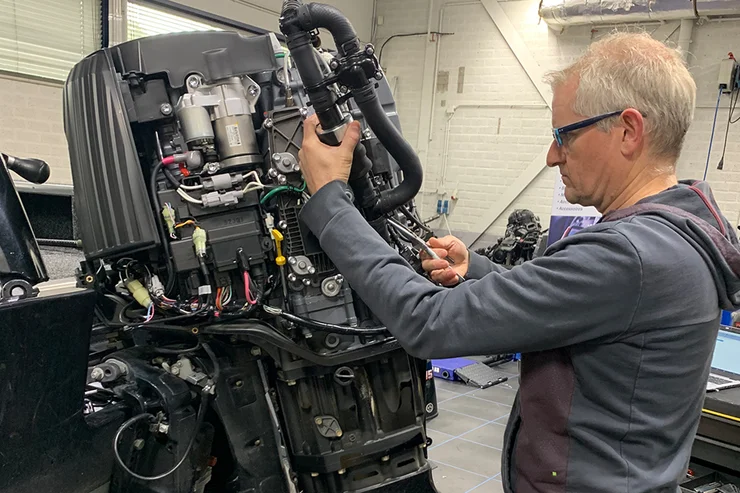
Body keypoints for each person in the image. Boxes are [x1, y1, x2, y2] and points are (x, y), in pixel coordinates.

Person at [296, 32, 740, 493]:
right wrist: (480, 272)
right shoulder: (677, 234)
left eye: (564, 135)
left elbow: (429, 322)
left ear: (628, 131)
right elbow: (575, 310)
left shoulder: (630, 256)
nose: (552, 156)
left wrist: (331, 204)